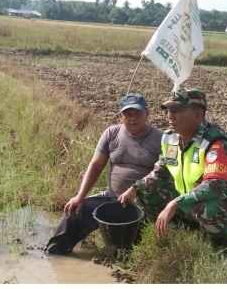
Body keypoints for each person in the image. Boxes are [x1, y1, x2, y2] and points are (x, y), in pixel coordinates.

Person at [118, 88, 227, 244]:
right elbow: (160, 171)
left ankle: (218, 247)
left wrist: (176, 203)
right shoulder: (170, 139)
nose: (170, 116)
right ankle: (178, 232)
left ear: (198, 115)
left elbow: (215, 185)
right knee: (145, 191)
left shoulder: (214, 142)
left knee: (210, 207)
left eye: (177, 110)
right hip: (188, 199)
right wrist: (135, 188)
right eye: (168, 110)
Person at [46, 93, 163, 255]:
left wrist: (138, 192)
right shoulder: (112, 133)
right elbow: (95, 166)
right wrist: (80, 196)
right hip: (111, 197)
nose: (133, 118)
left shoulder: (160, 139)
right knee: (75, 211)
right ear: (121, 116)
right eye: (128, 114)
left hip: (142, 203)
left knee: (128, 250)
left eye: (138, 113)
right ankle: (54, 254)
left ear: (147, 114)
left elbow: (162, 175)